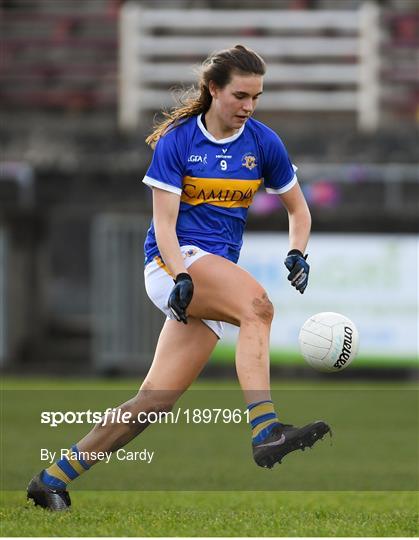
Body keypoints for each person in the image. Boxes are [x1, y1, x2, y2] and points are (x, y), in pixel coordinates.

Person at [27, 44, 330, 511]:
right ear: (214, 89)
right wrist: (182, 275)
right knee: (258, 307)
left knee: (152, 403)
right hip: (172, 264)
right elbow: (164, 226)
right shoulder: (179, 140)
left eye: (257, 98)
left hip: (208, 274)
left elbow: (299, 210)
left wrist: (297, 252)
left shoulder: (263, 142)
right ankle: (266, 429)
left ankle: (52, 478)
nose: (249, 107)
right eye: (241, 96)